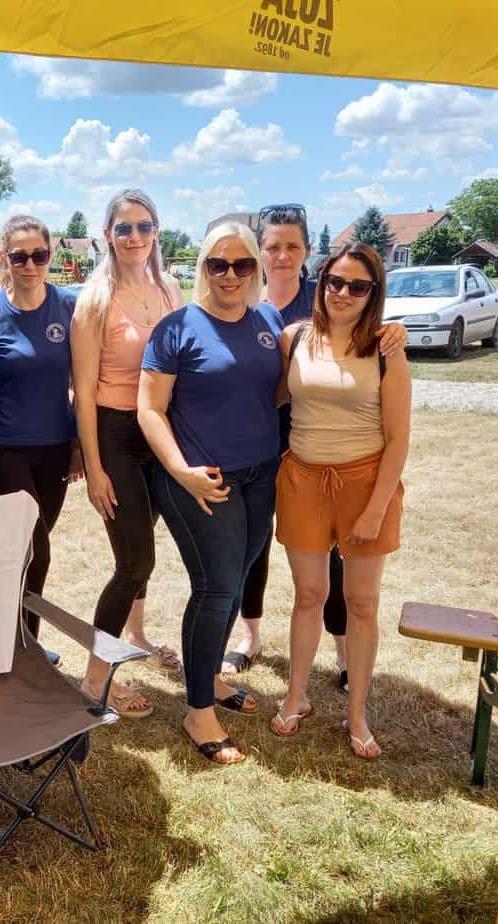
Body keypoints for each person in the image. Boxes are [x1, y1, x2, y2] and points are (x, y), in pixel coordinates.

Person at [228, 207, 408, 688]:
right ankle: (250, 634)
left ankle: (345, 650)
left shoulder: (327, 298)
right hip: (265, 445)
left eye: (292, 246)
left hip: (328, 450)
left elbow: (368, 334)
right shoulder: (242, 299)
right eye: (272, 247)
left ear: (308, 253)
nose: (281, 255)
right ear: (258, 253)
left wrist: (395, 331)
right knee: (255, 547)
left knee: (336, 559)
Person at [138, 222, 282, 765]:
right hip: (202, 480)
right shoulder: (176, 328)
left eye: (242, 265)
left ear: (255, 270)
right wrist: (182, 472)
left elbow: (279, 385)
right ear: (202, 268)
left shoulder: (267, 321)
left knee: (238, 579)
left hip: (260, 475)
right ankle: (198, 712)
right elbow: (149, 409)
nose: (229, 275)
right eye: (217, 264)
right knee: (216, 586)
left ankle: (214, 680)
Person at [271, 242, 411, 760]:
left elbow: (398, 438)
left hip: (364, 483)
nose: (343, 293)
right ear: (321, 282)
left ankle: (357, 713)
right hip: (303, 479)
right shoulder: (294, 338)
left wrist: (375, 510)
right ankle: (296, 696)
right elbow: (272, 397)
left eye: (358, 286)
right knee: (308, 595)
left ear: (374, 293)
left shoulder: (385, 348)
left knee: (362, 602)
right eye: (335, 281)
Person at [71, 189, 183, 719]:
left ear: (156, 231)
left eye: (143, 226)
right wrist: (94, 468)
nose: (134, 237)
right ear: (107, 235)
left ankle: (135, 635)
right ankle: (95, 680)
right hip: (115, 434)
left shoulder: (169, 289)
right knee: (135, 559)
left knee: (144, 547)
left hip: (159, 433)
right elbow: (83, 391)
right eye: (124, 228)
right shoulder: (95, 299)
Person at [0, 215, 79, 643]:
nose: (30, 265)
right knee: (35, 550)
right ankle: (25, 648)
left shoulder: (69, 306)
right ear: (5, 258)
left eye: (39, 255)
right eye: (19, 257)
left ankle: (14, 640)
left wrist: (78, 445)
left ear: (50, 254)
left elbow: (83, 382)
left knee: (27, 553)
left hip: (56, 448)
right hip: (6, 449)